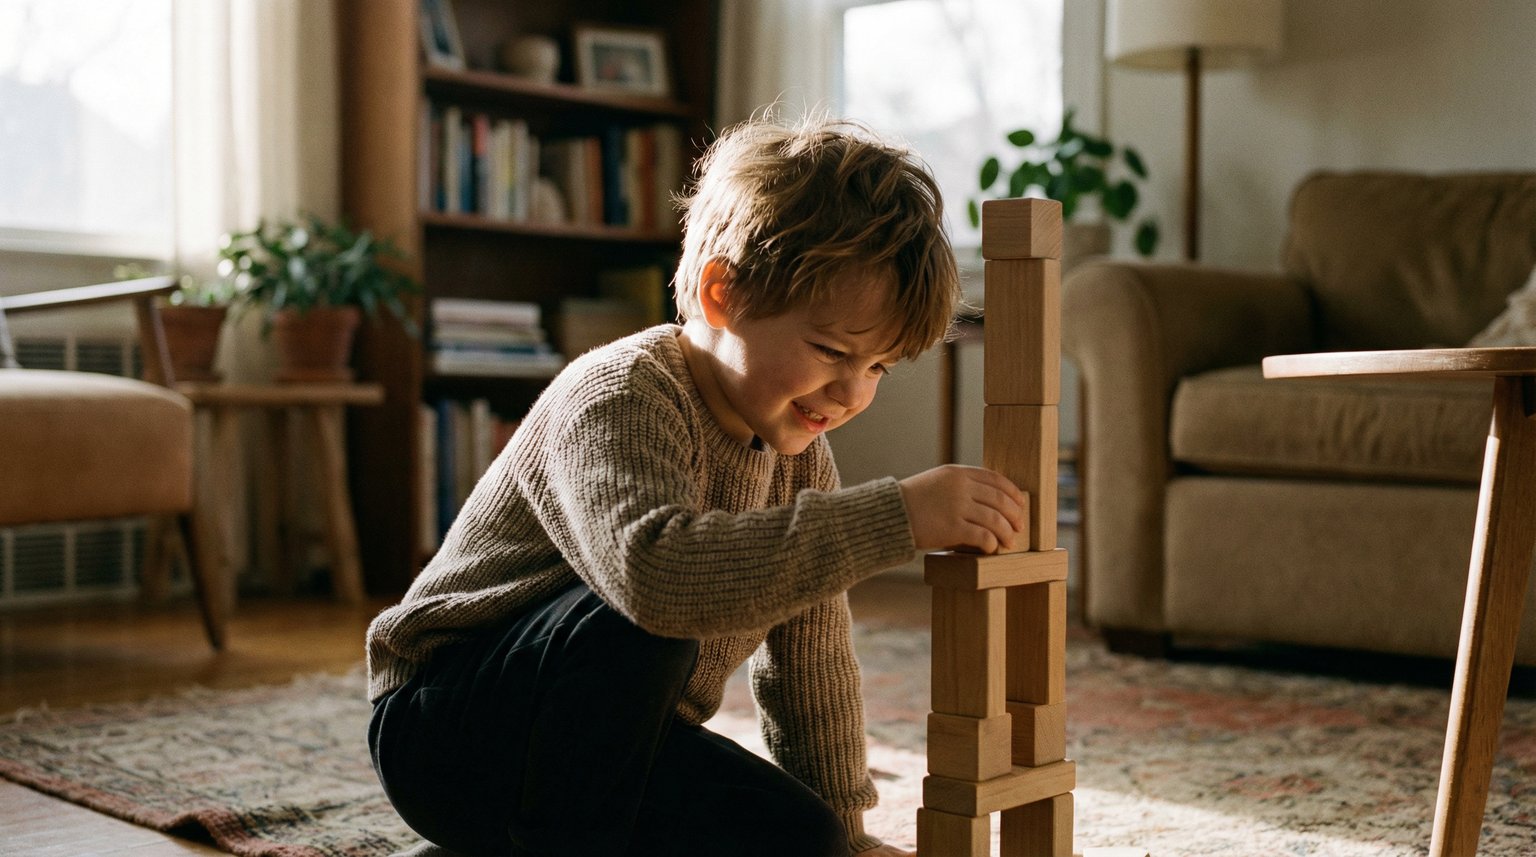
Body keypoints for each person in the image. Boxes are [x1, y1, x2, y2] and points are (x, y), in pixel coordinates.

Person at [366, 116, 1027, 856]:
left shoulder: (800, 457)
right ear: (722, 293)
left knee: (806, 839)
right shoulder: (620, 392)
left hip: (616, 755)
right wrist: (895, 515)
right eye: (830, 350)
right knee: (645, 624)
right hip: (447, 729)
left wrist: (847, 827)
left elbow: (811, 660)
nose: (849, 392)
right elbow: (655, 580)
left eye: (877, 368)